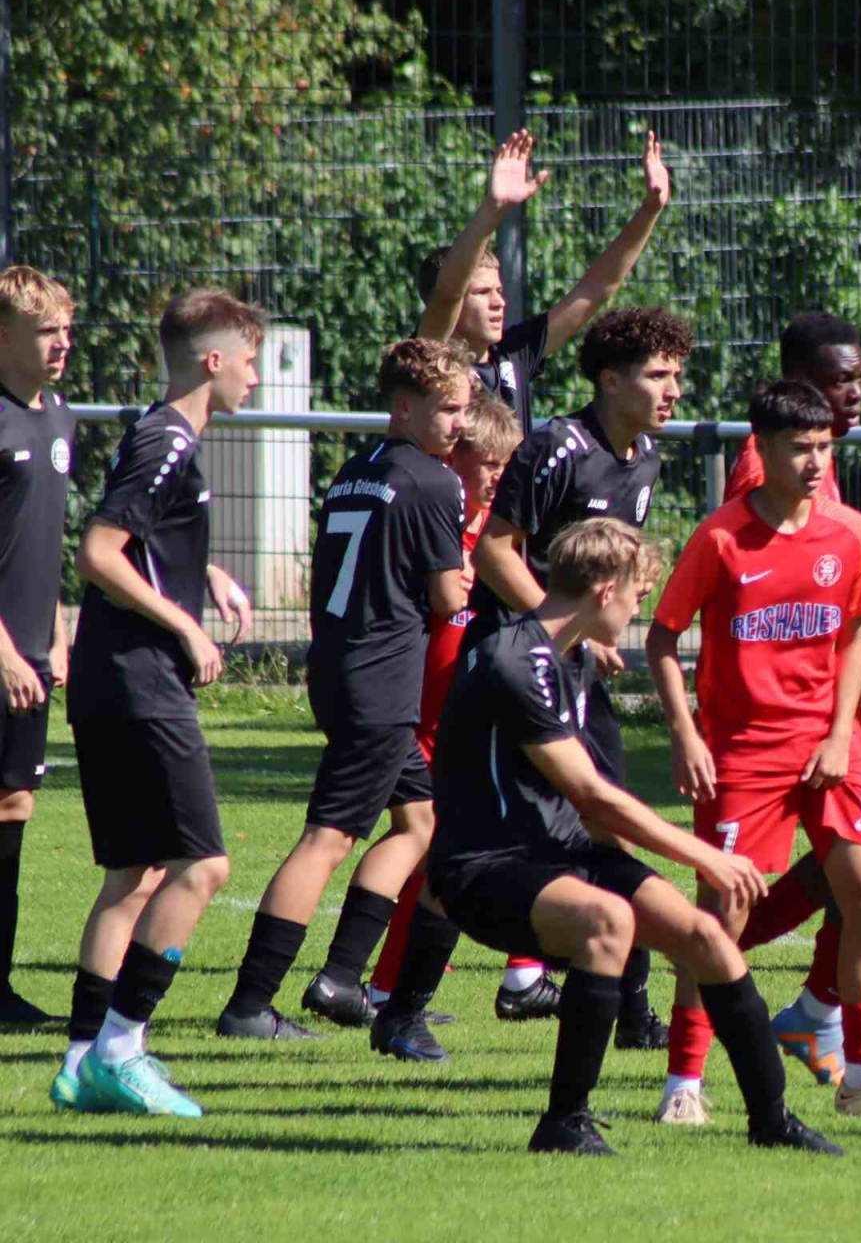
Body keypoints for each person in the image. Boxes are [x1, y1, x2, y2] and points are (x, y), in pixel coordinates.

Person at [396, 517, 839, 1156]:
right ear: (605, 591)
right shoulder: (513, 662)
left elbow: (595, 807)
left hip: (561, 853)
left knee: (706, 938)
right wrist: (704, 856)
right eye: (637, 596)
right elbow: (591, 793)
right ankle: (563, 1123)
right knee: (607, 921)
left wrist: (637, 870)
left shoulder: (571, 658)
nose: (638, 612)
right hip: (483, 868)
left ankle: (772, 1121)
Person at [645, 380, 861, 1123]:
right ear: (763, 449)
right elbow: (662, 638)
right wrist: (684, 733)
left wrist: (843, 733)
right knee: (722, 911)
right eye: (800, 448)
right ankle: (683, 1083)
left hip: (828, 747)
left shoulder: (852, 533)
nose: (815, 462)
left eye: (824, 448)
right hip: (743, 751)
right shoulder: (720, 538)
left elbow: (852, 637)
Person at [217, 340, 472, 1040]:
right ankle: (249, 1005)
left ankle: (338, 980)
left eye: (463, 408)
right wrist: (466, 581)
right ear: (404, 407)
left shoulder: (355, 471)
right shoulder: (436, 481)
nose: (459, 423)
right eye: (448, 409)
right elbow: (448, 598)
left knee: (421, 823)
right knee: (326, 839)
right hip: (382, 682)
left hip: (339, 667)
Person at [52, 288, 261, 1116]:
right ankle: (121, 1047)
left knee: (132, 877)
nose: (254, 377)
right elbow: (99, 553)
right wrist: (187, 625)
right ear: (213, 361)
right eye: (248, 361)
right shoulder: (168, 439)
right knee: (202, 865)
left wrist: (200, 570)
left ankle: (79, 1062)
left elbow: (140, 533)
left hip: (112, 678)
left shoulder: (158, 428)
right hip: (140, 681)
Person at [464, 306, 687, 1039]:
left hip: (576, 670)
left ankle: (631, 1008)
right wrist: (564, 630)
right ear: (610, 381)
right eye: (658, 375)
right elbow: (493, 550)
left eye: (677, 375)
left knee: (605, 818)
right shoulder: (557, 447)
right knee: (482, 837)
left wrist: (589, 636)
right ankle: (401, 1008)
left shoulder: (646, 458)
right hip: (515, 664)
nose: (673, 390)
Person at [724, 312, 861, 1088]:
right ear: (799, 383)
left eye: (860, 377)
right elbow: (772, 605)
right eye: (840, 379)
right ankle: (711, 957)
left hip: (826, 708)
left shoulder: (817, 464)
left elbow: (837, 618)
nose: (856, 391)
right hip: (776, 718)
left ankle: (812, 1009)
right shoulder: (762, 469)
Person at [366, 394, 523, 1013]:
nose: (497, 476)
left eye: (505, 464)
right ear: (453, 460)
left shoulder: (497, 540)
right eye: (487, 462)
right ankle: (365, 982)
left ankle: (387, 986)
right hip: (413, 720)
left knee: (438, 855)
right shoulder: (432, 527)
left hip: (461, 726)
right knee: (417, 849)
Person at [414, 129, 671, 438]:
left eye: (499, 291)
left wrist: (650, 210)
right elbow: (448, 294)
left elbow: (596, 289)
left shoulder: (514, 353)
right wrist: (492, 211)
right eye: (482, 292)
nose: (498, 302)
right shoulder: (432, 358)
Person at [0, 266, 77, 1023]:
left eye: (66, 329)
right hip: (2, 654)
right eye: (45, 331)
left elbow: (40, 544)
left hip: (31, 657)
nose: (61, 343)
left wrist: (55, 637)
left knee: (15, 806)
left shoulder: (59, 417)